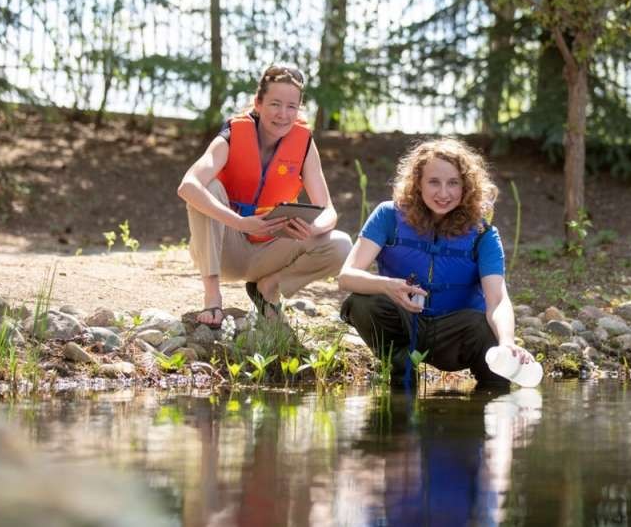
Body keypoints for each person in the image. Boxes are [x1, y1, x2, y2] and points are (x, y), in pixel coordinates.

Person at [338, 138, 533, 387]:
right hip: (405, 323)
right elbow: (346, 276)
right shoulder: (388, 215)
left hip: (458, 335)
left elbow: (497, 299)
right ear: (417, 184)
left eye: (453, 183)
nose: (443, 193)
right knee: (361, 303)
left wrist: (507, 341)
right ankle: (402, 368)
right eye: (433, 182)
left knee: (488, 338)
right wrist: (387, 285)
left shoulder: (484, 234)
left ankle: (491, 397)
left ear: (466, 187)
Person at [178, 65, 352, 326]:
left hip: (270, 250)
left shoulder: (304, 143)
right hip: (226, 248)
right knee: (208, 187)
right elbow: (188, 186)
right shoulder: (232, 135)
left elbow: (328, 210)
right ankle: (212, 298)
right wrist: (239, 222)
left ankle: (268, 288)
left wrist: (311, 228)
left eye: (291, 106)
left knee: (342, 245)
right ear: (258, 103)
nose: (283, 114)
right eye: (275, 104)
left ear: (299, 109)